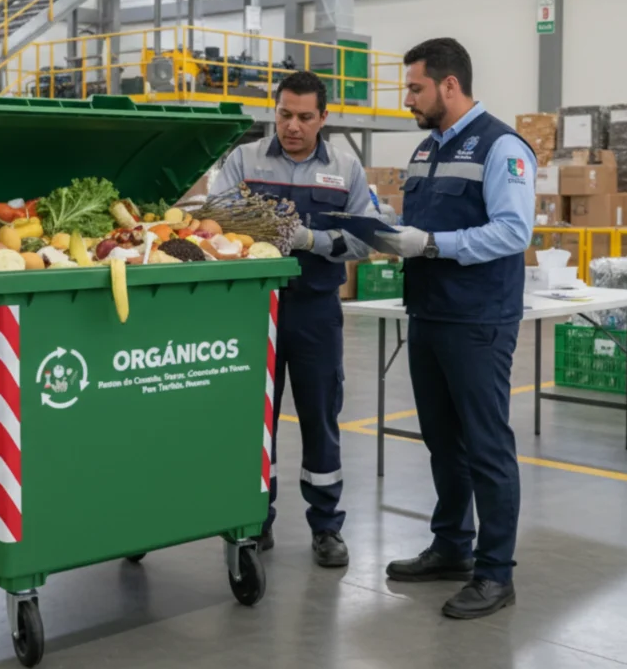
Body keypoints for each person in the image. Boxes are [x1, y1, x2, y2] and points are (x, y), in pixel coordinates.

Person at [374, 38, 536, 619]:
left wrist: (434, 245)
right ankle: (451, 546)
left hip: (478, 320)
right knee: (443, 441)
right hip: (430, 313)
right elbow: (420, 226)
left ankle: (496, 573)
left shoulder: (502, 147)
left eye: (415, 87)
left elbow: (514, 231)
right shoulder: (425, 151)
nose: (408, 98)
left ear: (448, 84)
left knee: (487, 448)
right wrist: (386, 233)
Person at [211, 70, 395, 568]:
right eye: (285, 114)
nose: (292, 126)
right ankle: (254, 518)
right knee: (253, 419)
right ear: (275, 111)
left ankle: (327, 527)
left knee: (320, 417)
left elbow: (365, 237)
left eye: (304, 117)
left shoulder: (345, 167)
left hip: (315, 310)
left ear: (324, 118)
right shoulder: (242, 160)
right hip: (252, 311)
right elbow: (214, 224)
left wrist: (310, 240)